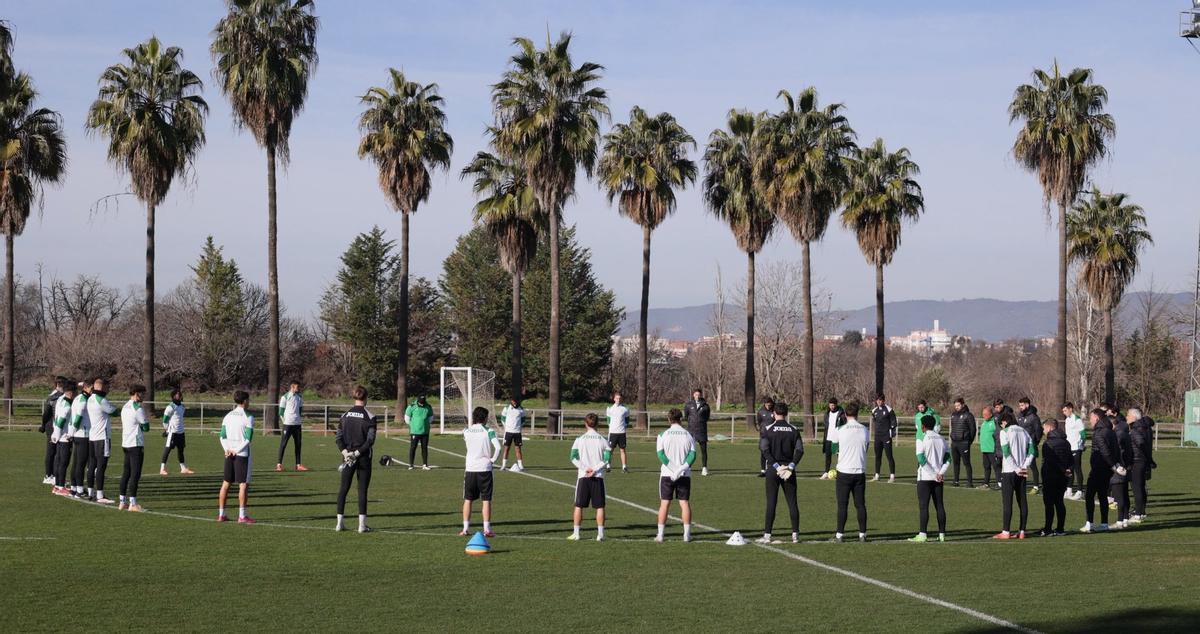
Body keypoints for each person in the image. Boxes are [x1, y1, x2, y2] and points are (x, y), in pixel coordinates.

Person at [757, 402, 804, 544]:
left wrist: (777, 466)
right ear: (787, 413)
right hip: (789, 471)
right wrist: (790, 466)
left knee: (771, 502)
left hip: (773, 469)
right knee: (792, 502)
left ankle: (767, 535)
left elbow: (764, 450)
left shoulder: (768, 429)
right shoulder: (794, 429)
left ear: (774, 414)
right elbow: (800, 450)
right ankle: (795, 535)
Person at [335, 385, 377, 533]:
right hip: (363, 457)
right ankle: (361, 526)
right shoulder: (370, 417)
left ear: (354, 397)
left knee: (343, 489)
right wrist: (357, 453)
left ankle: (339, 523)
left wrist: (346, 453)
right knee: (362, 490)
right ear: (365, 398)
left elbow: (338, 438)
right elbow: (370, 440)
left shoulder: (344, 416)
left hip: (347, 457)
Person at [655, 408, 697, 542]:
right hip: (684, 475)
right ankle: (686, 535)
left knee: (664, 504)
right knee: (684, 503)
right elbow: (692, 455)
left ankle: (660, 535)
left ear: (669, 419)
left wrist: (673, 470)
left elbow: (661, 455)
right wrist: (681, 469)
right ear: (681, 419)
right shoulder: (689, 434)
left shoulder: (662, 435)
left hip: (667, 475)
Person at [831, 402, 870, 543]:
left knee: (842, 505)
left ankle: (839, 535)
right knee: (860, 504)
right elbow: (866, 448)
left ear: (845, 415)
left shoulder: (840, 429)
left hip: (844, 472)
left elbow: (834, 449)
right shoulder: (865, 430)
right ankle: (862, 534)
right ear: (857, 414)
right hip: (859, 471)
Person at [569, 413, 611, 541]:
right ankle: (601, 534)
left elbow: (573, 458)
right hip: (598, 477)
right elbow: (607, 459)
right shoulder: (603, 440)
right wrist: (595, 469)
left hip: (583, 476)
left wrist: (585, 468)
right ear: (598, 424)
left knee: (578, 505)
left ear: (585, 424)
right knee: (600, 506)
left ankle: (576, 534)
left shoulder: (579, 439)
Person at [461, 406, 501, 537]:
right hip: (484, 469)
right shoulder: (489, 431)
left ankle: (465, 528)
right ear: (485, 418)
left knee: (468, 499)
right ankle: (487, 529)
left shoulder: (466, 431)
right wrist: (492, 460)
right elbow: (498, 448)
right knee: (486, 500)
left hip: (470, 468)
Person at [909, 414, 950, 543]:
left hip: (925, 477)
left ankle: (923, 534)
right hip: (938, 478)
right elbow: (948, 459)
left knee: (924, 506)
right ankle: (942, 534)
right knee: (939, 506)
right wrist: (940, 473)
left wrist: (933, 474)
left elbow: (921, 459)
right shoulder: (942, 439)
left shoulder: (922, 439)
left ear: (924, 426)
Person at [1081, 408, 1123, 533]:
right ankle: (1104, 523)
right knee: (1103, 496)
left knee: (1089, 495)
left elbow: (1104, 451)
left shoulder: (1099, 433)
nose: (1090, 421)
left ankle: (1090, 523)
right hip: (1106, 469)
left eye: (1091, 418)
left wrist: (1113, 465)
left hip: (1099, 468)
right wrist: (1114, 465)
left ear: (1097, 418)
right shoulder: (1111, 431)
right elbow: (1116, 449)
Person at [218, 391, 256, 524]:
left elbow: (222, 436)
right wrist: (236, 450)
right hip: (242, 455)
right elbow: (248, 439)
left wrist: (227, 450)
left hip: (229, 453)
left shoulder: (227, 416)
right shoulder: (248, 416)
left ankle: (221, 514)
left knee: (226, 484)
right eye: (248, 400)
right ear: (244, 401)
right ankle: (242, 516)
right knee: (243, 485)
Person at [994, 412, 1033, 540]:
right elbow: (1032, 451)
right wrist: (1024, 466)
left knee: (1007, 502)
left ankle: (1006, 531)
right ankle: (1022, 531)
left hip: (1010, 471)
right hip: (1022, 471)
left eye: (1001, 423)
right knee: (1022, 501)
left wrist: (1016, 468)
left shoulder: (1005, 432)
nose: (1001, 426)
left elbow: (1006, 452)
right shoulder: (1025, 431)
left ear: (1005, 421)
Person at [86, 378, 118, 503]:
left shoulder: (90, 398)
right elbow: (114, 411)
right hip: (102, 437)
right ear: (103, 387)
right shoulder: (101, 400)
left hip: (93, 436)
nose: (109, 389)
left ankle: (90, 492)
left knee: (92, 465)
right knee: (101, 466)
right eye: (108, 387)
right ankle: (100, 495)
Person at [1038, 418, 1072, 537]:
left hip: (1050, 476)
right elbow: (1071, 460)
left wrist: (1061, 469)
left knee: (1049, 503)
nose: (1043, 431)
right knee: (1059, 502)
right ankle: (1060, 528)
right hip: (1063, 478)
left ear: (1049, 428)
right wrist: (1068, 470)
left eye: (1044, 428)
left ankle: (1048, 529)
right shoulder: (1066, 443)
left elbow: (1050, 461)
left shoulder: (1048, 444)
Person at [118, 385, 150, 512]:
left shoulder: (125, 406)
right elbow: (146, 427)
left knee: (126, 473)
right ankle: (133, 503)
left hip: (125, 443)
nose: (144, 396)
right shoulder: (138, 408)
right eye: (142, 394)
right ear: (137, 394)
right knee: (135, 474)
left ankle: (122, 502)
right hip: (135, 444)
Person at [1109, 408, 1134, 529]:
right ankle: (1124, 519)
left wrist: (1117, 465)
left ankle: (1119, 521)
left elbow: (1118, 453)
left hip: (1119, 469)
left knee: (1119, 497)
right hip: (1126, 468)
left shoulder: (1118, 436)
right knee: (1124, 495)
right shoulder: (1126, 436)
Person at [51, 382, 77, 496]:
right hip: (64, 437)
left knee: (60, 462)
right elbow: (60, 422)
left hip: (60, 436)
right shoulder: (66, 406)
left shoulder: (61, 401)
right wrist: (56, 435)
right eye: (75, 392)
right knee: (63, 463)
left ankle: (57, 486)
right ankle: (61, 487)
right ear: (71, 393)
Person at [1128, 409, 1154, 523]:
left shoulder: (1135, 429)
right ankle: (1142, 512)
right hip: (1143, 461)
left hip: (1137, 461)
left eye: (1128, 415)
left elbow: (1140, 443)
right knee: (1142, 487)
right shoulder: (1147, 428)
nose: (1127, 417)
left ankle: (1138, 514)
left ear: (1134, 417)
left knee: (1137, 488)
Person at [276, 381, 307, 472]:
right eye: (297, 387)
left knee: (298, 445)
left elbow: (300, 410)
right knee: (283, 444)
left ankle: (298, 465)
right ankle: (279, 464)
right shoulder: (285, 397)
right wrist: (285, 422)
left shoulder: (299, 397)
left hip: (297, 425)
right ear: (292, 387)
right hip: (287, 425)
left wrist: (297, 418)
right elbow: (281, 412)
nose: (298, 388)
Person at [40, 377, 66, 485]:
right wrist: (43, 425)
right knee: (52, 451)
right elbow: (46, 414)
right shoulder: (53, 398)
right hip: (52, 427)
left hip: (54, 426)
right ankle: (49, 475)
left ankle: (52, 475)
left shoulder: (55, 396)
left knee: (55, 452)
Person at [160, 389, 193, 475]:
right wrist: (167, 430)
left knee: (181, 450)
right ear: (174, 396)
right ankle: (162, 468)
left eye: (180, 394)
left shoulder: (182, 407)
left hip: (181, 432)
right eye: (178, 395)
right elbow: (165, 420)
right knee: (168, 449)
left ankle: (183, 468)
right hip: (172, 432)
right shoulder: (170, 407)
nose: (180, 396)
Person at [68, 380, 92, 498]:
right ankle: (79, 490)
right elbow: (77, 417)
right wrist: (72, 431)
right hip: (83, 434)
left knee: (76, 462)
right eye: (91, 389)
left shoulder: (77, 398)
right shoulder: (83, 400)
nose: (93, 391)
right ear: (86, 388)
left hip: (78, 434)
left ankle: (73, 488)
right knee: (81, 464)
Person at [1015, 397, 1043, 494]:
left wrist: (1034, 442)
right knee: (1021, 464)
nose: (1020, 407)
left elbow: (1039, 431)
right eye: (1019, 405)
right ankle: (1021, 484)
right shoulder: (1020, 416)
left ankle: (1036, 486)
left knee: (1032, 465)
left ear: (1027, 405)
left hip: (1030, 445)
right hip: (1021, 446)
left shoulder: (1034, 417)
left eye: (1022, 405)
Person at [949, 397, 976, 487]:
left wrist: (969, 441)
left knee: (966, 463)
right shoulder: (953, 415)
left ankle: (969, 482)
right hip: (954, 443)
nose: (956, 407)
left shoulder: (968, 415)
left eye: (958, 405)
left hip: (964, 443)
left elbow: (973, 430)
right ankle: (956, 481)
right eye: (955, 405)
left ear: (963, 404)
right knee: (956, 462)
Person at [870, 394, 897, 483]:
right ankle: (877, 475)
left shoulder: (889, 410)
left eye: (881, 400)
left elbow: (894, 422)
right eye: (877, 400)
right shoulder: (874, 411)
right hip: (877, 436)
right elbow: (875, 421)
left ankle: (892, 476)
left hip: (886, 436)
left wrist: (891, 434)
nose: (879, 402)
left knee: (889, 456)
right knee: (878, 456)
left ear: (884, 401)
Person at [684, 389, 711, 476]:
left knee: (703, 451)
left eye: (699, 395)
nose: (697, 396)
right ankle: (688, 467)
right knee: (690, 450)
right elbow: (686, 416)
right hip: (691, 431)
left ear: (701, 395)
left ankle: (704, 468)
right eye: (696, 394)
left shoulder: (706, 406)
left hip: (702, 431)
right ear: (693, 395)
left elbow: (707, 417)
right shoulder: (688, 405)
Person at [1062, 402, 1086, 500]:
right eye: (1063, 411)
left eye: (1065, 410)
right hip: (1069, 448)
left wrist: (1081, 445)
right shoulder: (1067, 420)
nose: (1064, 412)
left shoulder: (1077, 420)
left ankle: (1080, 491)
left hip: (1076, 448)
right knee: (1069, 469)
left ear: (1070, 409)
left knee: (1077, 468)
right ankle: (1069, 489)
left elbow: (1083, 434)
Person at [404, 395, 433, 470]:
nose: (422, 403)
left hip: (425, 431)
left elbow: (430, 418)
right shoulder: (412, 406)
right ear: (418, 400)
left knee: (424, 448)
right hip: (415, 431)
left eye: (423, 402)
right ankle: (411, 464)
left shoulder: (428, 407)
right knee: (413, 447)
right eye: (421, 402)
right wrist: (413, 425)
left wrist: (425, 424)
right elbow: (407, 418)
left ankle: (425, 464)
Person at [820, 398, 845, 479]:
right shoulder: (827, 413)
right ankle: (826, 472)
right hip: (828, 438)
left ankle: (840, 472)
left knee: (839, 456)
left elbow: (844, 424)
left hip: (837, 439)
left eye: (834, 405)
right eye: (831, 405)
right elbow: (826, 425)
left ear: (836, 404)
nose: (832, 407)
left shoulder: (841, 413)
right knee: (828, 456)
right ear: (829, 405)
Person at [605, 392, 631, 473]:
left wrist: (623, 427)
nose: (618, 400)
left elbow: (627, 420)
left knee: (622, 450)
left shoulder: (625, 409)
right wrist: (613, 428)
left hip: (622, 433)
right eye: (617, 398)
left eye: (619, 398)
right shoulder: (609, 408)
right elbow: (608, 421)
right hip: (613, 433)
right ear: (614, 399)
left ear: (621, 399)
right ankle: (608, 465)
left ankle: (624, 467)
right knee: (610, 450)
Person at [499, 398, 526, 472]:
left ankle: (520, 465)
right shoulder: (506, 408)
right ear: (511, 401)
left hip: (517, 432)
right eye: (513, 401)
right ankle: (503, 465)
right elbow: (502, 418)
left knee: (518, 449)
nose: (515, 403)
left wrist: (519, 427)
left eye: (516, 401)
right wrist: (507, 427)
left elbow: (523, 420)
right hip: (508, 432)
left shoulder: (521, 409)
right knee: (506, 448)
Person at [977, 406, 1000, 490]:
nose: (984, 416)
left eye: (986, 414)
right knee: (986, 467)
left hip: (992, 449)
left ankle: (999, 483)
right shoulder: (983, 423)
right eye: (983, 414)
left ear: (991, 414)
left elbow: (998, 435)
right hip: (984, 449)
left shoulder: (994, 422)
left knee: (996, 467)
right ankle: (986, 483)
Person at [755, 396, 776, 477]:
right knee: (763, 452)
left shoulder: (775, 410)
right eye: (767, 404)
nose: (769, 406)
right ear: (765, 403)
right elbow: (760, 422)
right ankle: (763, 471)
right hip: (764, 435)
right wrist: (762, 430)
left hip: (774, 435)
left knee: (772, 452)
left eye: (770, 404)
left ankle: (771, 470)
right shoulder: (760, 411)